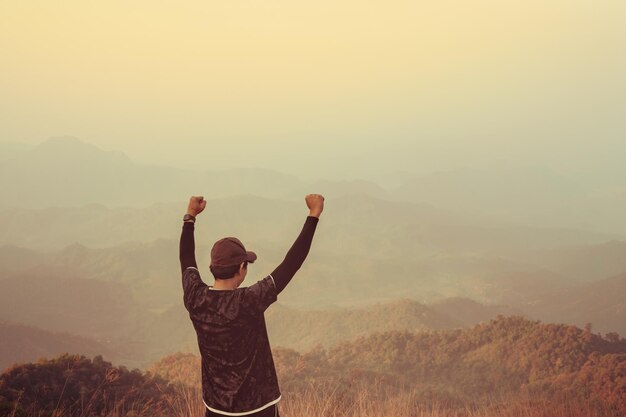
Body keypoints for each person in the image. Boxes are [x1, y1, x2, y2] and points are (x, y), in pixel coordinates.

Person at [179, 194, 324, 417]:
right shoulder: (249, 301)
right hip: (259, 408)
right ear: (242, 268)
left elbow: (186, 259)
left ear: (213, 268)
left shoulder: (196, 298)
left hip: (216, 409)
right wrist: (313, 215)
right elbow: (292, 263)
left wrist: (190, 217)